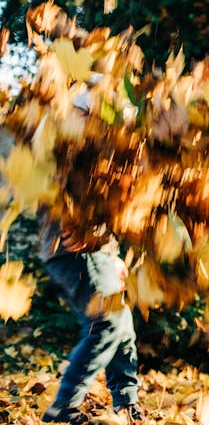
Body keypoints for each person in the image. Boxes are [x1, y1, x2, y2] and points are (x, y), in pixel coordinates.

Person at [37, 95, 143, 424]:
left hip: (95, 248)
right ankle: (63, 407)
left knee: (121, 324)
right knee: (107, 320)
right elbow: (68, 193)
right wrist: (90, 233)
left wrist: (112, 253)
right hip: (72, 246)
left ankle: (127, 402)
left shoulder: (104, 143)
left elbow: (106, 202)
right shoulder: (69, 133)